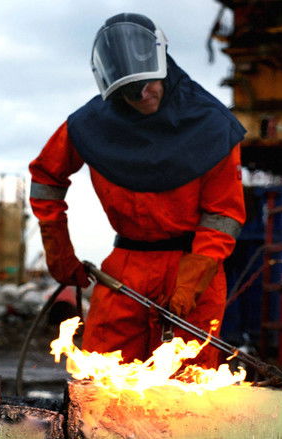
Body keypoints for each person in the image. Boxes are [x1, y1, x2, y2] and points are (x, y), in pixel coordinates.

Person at [28, 13, 246, 368]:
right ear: (113, 91)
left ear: (161, 65)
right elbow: (46, 178)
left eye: (148, 83)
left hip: (193, 268)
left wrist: (190, 283)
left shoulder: (212, 127)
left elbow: (223, 216)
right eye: (131, 91)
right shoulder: (89, 126)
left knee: (191, 392)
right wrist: (58, 251)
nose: (144, 95)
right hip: (124, 274)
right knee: (102, 384)